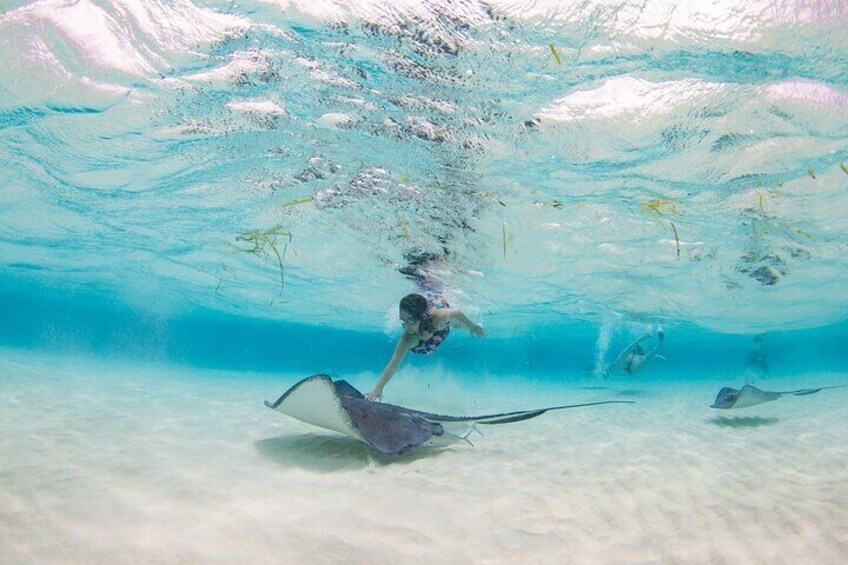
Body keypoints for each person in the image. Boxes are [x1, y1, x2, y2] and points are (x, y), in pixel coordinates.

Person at [366, 292, 486, 401]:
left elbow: (456, 312)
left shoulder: (438, 317)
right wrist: (378, 388)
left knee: (457, 325)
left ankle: (467, 326)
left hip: (438, 324)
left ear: (421, 317)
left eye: (411, 321)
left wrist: (472, 325)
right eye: (403, 320)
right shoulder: (408, 338)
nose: (406, 326)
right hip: (422, 341)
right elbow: (393, 365)